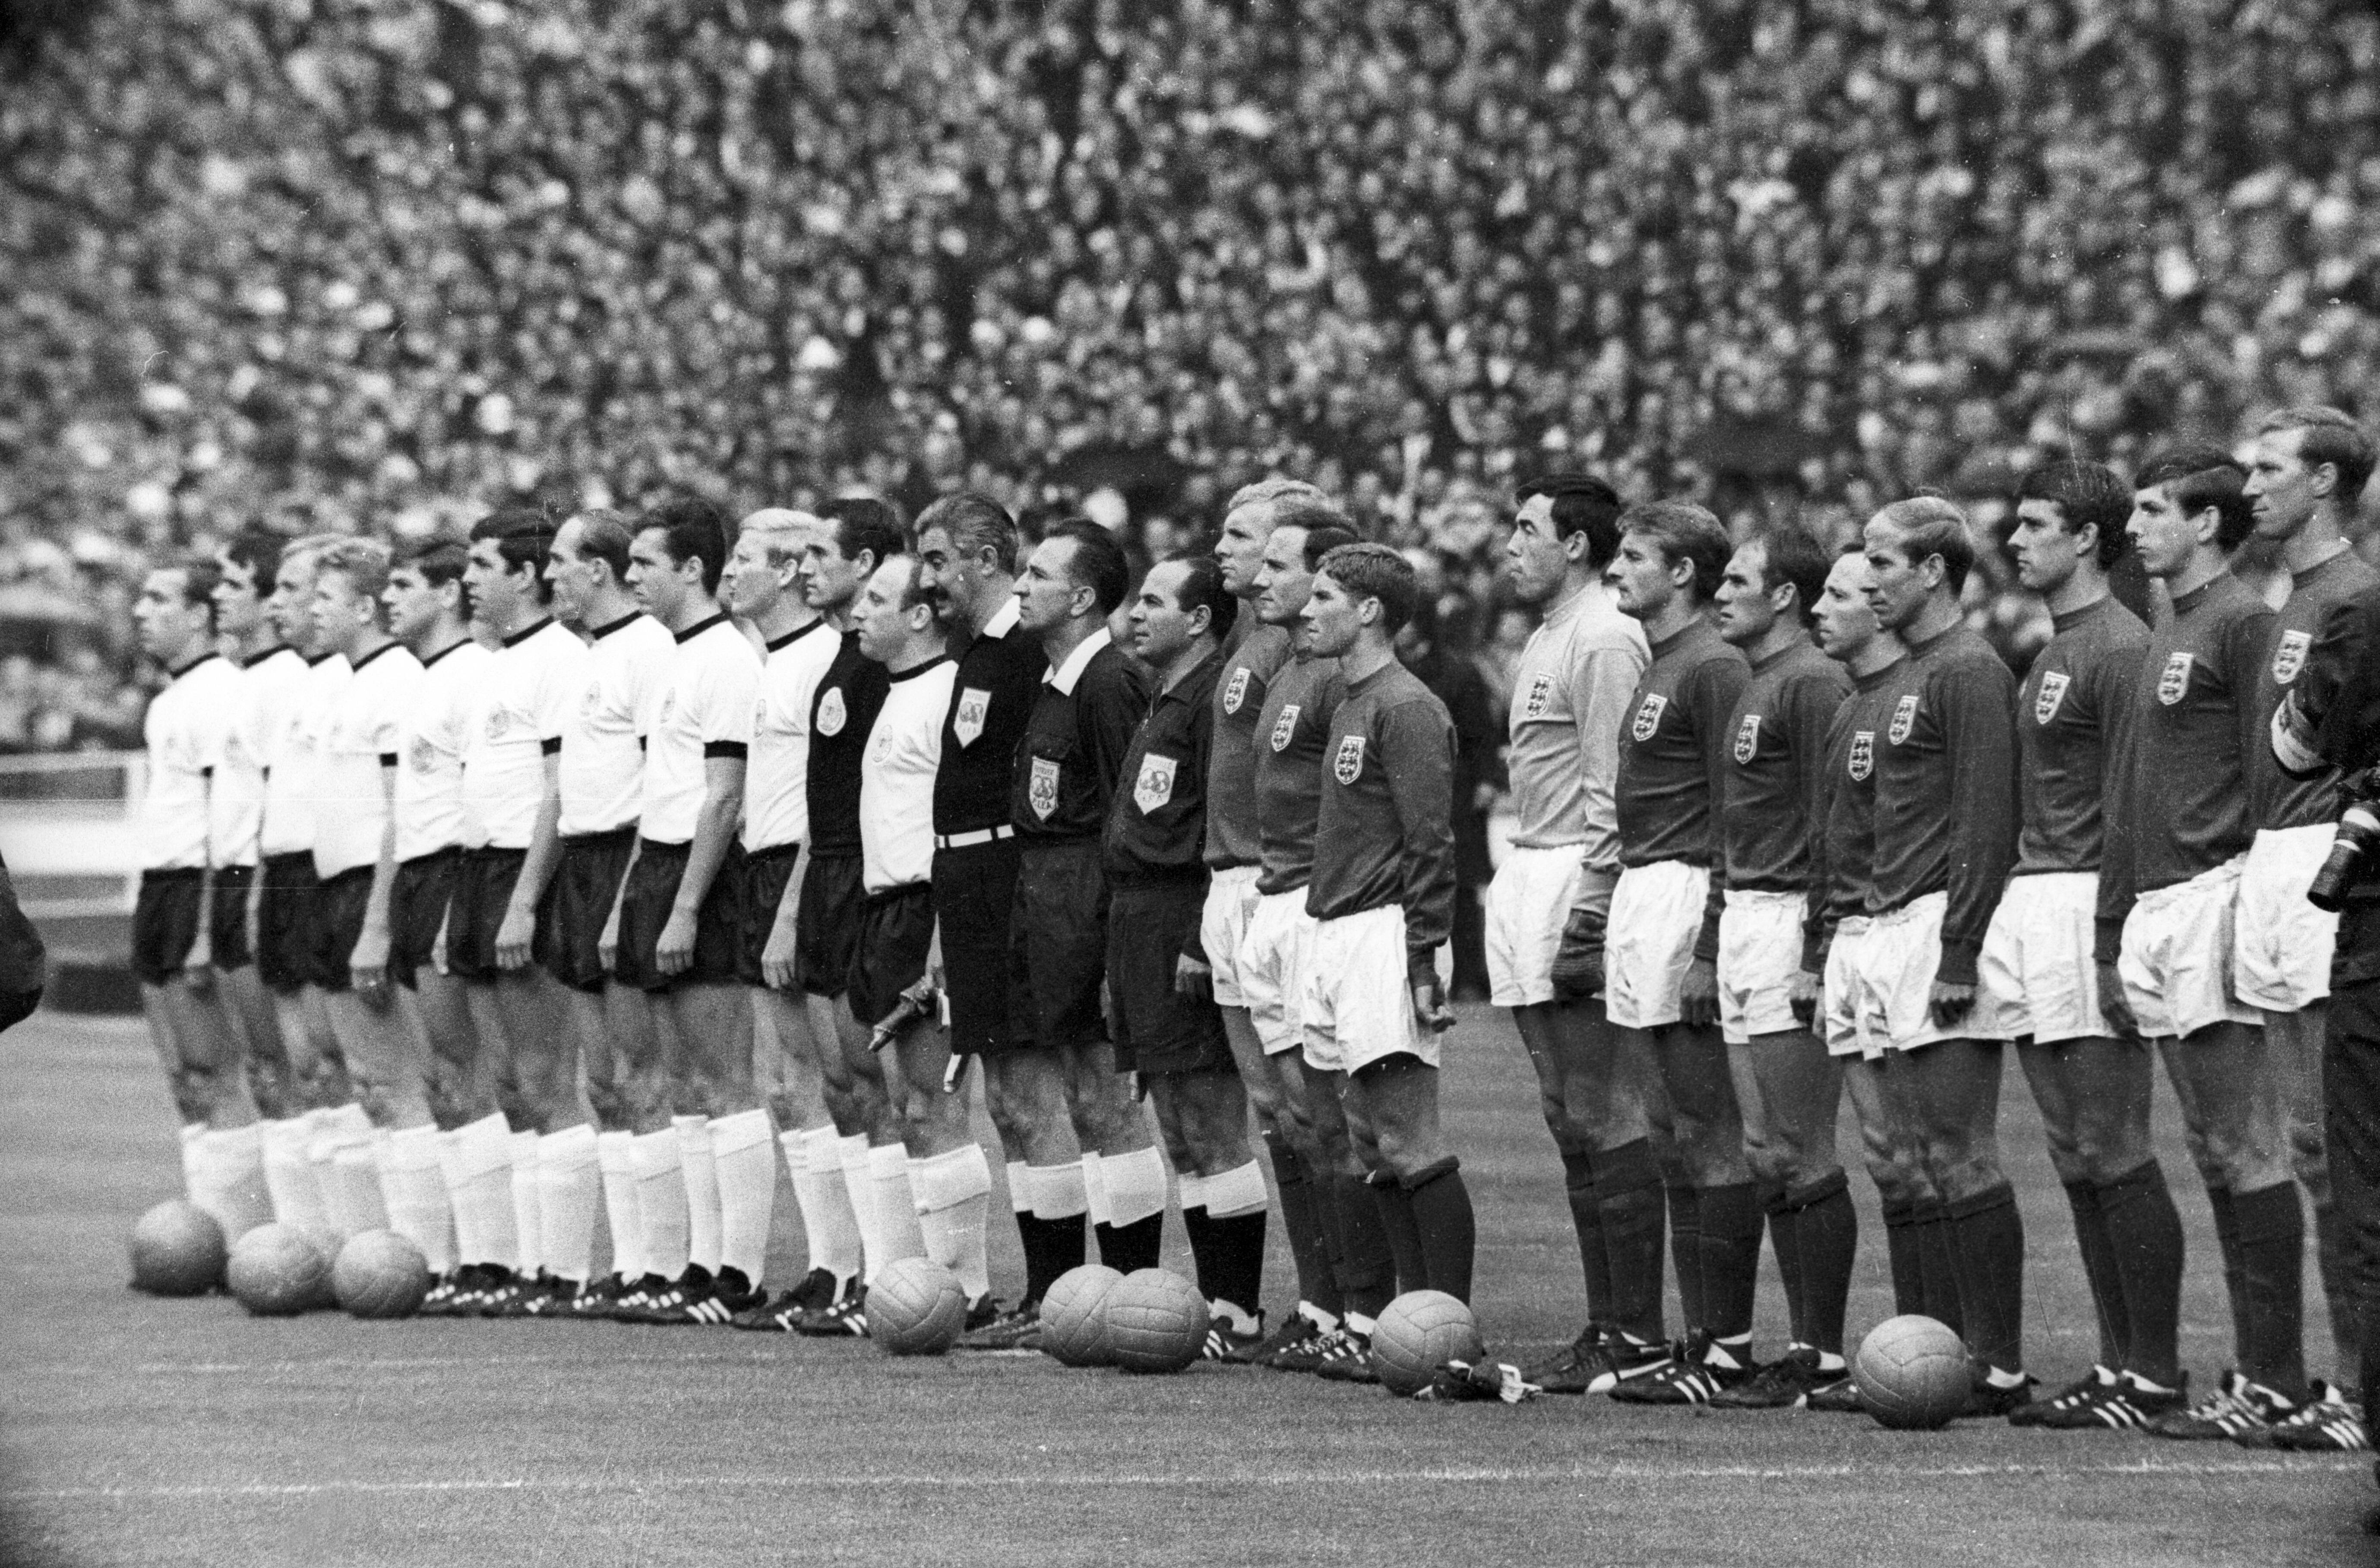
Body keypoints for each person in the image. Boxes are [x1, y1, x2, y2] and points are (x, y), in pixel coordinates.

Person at [2107, 449, 2307, 1439]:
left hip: (2214, 893)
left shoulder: (2241, 621)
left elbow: (2275, 770)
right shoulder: (2168, 624)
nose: (2136, 525)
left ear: (2209, 526)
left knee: (2246, 1143)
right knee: (2212, 1148)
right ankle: (2255, 1375)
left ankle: (2280, 1377)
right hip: (2161, 901)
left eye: (2155, 509)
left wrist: (2243, 897)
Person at [1987, 463, 2188, 1430]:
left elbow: (2127, 802)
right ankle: (2117, 1365)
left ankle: (2151, 1368)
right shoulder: (2057, 646)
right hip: (2040, 898)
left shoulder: (2118, 647)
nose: (2017, 541)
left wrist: (2112, 937)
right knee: (2072, 1149)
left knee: (2112, 1140)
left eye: (2036, 526)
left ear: (2091, 541)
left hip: (2083, 901)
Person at [1855, 496, 2029, 1414]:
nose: (1869, 576)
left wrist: (1959, 949)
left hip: (1939, 926)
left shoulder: (1967, 669)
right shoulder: (1918, 670)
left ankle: (1995, 1359)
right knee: (1920, 1150)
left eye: (1883, 561)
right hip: (1895, 922)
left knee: (1961, 1151)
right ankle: (1942, 1349)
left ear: (1931, 571)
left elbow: (1986, 816)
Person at [1490, 473, 1659, 1397]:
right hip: (1532, 866)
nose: (1511, 544)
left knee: (1603, 1107)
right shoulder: (1552, 632)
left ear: (1579, 545)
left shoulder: (1602, 636)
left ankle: (1634, 1327)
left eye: (1527, 528)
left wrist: (1593, 905)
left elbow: (1613, 780)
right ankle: (1605, 1324)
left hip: (1575, 872)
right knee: (1565, 1113)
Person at [2237, 407, 2380, 1449]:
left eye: (2269, 468)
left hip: (2330, 864)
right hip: (2276, 865)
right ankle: (2330, 1385)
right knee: (2307, 1140)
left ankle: (2352, 1388)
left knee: (2339, 1151)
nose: (2250, 487)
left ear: (2324, 480)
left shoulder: (2356, 597)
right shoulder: (2292, 595)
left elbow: (2306, 753)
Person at [1602, 501, 1757, 1403]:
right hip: (1643, 890)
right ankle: (1699, 1338)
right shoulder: (1664, 663)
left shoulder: (1714, 668)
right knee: (1666, 1132)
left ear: (1684, 573)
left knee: (1708, 1130)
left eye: (1633, 557)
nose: (1619, 571)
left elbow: (1744, 805)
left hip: (1690, 887)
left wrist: (1711, 941)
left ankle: (1728, 1345)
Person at [1702, 525, 1858, 1409]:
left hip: (1792, 911)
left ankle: (1823, 1350)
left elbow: (1828, 821)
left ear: (1786, 596)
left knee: (1799, 1145)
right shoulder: (1762, 681)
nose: (1723, 593)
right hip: (1749, 917)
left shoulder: (1812, 683)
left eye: (1739, 579)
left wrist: (1813, 947)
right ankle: (1805, 1348)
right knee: (1766, 1149)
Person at [1195, 479, 1348, 1366]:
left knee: (1315, 1109)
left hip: (1282, 881)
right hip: (1232, 883)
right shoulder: (1254, 641)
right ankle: (1319, 1304)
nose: (1225, 548)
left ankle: (1345, 1305)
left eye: (1244, 536)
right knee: (1275, 1110)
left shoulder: (1314, 655)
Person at [607, 498, 768, 1325]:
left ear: (691, 570)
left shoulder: (727, 662)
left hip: (700, 875)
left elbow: (724, 796)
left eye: (644, 563)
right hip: (659, 865)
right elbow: (662, 792)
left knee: (723, 1079)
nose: (631, 576)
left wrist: (685, 907)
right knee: (681, 1084)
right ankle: (698, 1265)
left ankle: (734, 1272)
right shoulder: (672, 656)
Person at [1106, 554, 1271, 1356]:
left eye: (1154, 602)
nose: (1136, 614)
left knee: (1211, 1120)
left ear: (1199, 619)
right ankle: (1215, 1305)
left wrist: (1196, 936)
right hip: (1135, 915)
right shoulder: (1162, 696)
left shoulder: (1212, 700)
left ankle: (1236, 1309)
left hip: (1180, 912)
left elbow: (1220, 823)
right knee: (1174, 1124)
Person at [1299, 544, 1469, 1318]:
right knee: (1368, 1140)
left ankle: (1443, 1324)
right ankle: (1402, 1322)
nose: (1307, 608)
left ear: (1368, 611)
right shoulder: (1349, 699)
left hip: (1384, 931)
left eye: (1324, 596)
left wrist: (1423, 959)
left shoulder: (1406, 707)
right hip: (1336, 927)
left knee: (1408, 1137)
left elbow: (1431, 841)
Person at [1238, 510, 1389, 1378]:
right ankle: (1323, 1301)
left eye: (1283, 566)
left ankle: (1365, 1309)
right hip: (1274, 894)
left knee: (1336, 1122)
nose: (1263, 578)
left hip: (1317, 901)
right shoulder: (1289, 664)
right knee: (1295, 1119)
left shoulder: (1340, 679)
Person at [911, 494, 1049, 1347]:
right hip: (964, 875)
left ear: (987, 556)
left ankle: (1061, 1287)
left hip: (1004, 875)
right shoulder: (981, 652)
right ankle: (1044, 1292)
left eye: (936, 560)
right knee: (1007, 1100)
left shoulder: (1025, 650)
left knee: (1033, 1097)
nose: (928, 581)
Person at [1007, 520, 1160, 1290]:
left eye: (1037, 576)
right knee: (1079, 1094)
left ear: (1083, 596)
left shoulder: (1108, 682)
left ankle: (1134, 1291)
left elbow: (1125, 813)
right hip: (1049, 907)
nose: (1020, 587)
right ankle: (1074, 1292)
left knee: (1106, 1099)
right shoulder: (1054, 681)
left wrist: (1110, 939)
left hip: (1089, 909)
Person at [440, 509, 585, 1315]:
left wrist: (527, 898)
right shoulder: (491, 664)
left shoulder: (559, 660)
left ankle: (559, 1272)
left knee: (543, 1077)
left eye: (483, 565)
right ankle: (523, 1268)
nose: (469, 579)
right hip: (477, 869)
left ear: (523, 577)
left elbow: (561, 789)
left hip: (524, 875)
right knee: (507, 1082)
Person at [535, 507, 674, 1317]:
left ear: (600, 569)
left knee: (640, 1073)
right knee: (606, 1084)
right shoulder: (591, 655)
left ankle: (663, 1268)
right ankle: (631, 1265)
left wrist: (632, 893)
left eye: (561, 561)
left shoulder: (649, 651)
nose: (552, 574)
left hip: (628, 857)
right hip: (583, 864)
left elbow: (663, 777)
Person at [718, 507, 853, 1330]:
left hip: (799, 875)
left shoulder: (820, 662)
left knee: (822, 1081)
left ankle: (847, 1271)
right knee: (781, 1085)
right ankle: (825, 1267)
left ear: (789, 569)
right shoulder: (770, 661)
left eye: (744, 559)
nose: (730, 573)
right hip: (760, 870)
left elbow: (823, 801)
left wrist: (791, 908)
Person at [781, 499, 911, 1336]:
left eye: (821, 553)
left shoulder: (877, 669)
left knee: (875, 1081)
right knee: (840, 1084)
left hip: (862, 879)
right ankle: (859, 1273)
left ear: (866, 563)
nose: (806, 569)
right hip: (825, 877)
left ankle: (895, 1276)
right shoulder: (841, 659)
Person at [1801, 548, 1922, 1413]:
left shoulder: (1927, 687)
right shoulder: (1851, 705)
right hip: (1850, 930)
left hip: (1902, 925)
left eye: (1841, 595)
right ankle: (1924, 1345)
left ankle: (1960, 1348)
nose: (1823, 609)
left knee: (1925, 1155)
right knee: (1885, 1155)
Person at [131, 556, 270, 1242]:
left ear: (196, 616)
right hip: (158, 887)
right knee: (183, 1077)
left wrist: (209, 922)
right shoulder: (166, 700)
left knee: (216, 1069)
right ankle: (207, 1235)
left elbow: (231, 809)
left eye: (158, 599)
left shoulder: (222, 691)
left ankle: (241, 1238)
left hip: (195, 887)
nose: (140, 611)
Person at [302, 539, 430, 1246]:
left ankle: (428, 1257)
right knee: (367, 1087)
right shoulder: (347, 682)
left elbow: (396, 811)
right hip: (332, 891)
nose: (313, 611)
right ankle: (375, 1251)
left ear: (363, 606)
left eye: (326, 598)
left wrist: (377, 921)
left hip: (368, 892)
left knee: (397, 1085)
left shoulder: (395, 681)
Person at [850, 554, 970, 1306]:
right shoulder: (897, 695)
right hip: (883, 906)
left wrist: (937, 942)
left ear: (921, 615)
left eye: (877, 599)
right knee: (907, 1109)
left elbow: (953, 826)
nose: (860, 612)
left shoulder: (946, 691)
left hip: (925, 906)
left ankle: (965, 1288)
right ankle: (924, 1289)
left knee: (935, 1105)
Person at [376, 535, 488, 1299]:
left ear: (444, 595)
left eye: (404, 585)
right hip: (416, 879)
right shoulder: (417, 681)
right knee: (439, 1080)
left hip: (455, 874)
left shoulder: (474, 676)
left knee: (470, 1075)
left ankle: (495, 1262)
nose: (389, 599)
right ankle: (449, 1261)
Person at [252, 535, 367, 1234]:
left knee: (343, 1060)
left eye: (300, 590)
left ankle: (369, 1239)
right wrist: (240, 886)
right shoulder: (294, 681)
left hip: (331, 876)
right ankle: (324, 1240)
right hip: (282, 877)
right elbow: (258, 815)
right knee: (306, 1067)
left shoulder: (353, 678)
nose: (283, 604)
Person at [205, 530, 292, 1110]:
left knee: (290, 1069)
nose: (217, 595)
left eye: (233, 583)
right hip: (232, 879)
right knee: (265, 1071)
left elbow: (281, 797)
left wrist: (260, 893)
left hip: (262, 881)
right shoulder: (242, 681)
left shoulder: (284, 681)